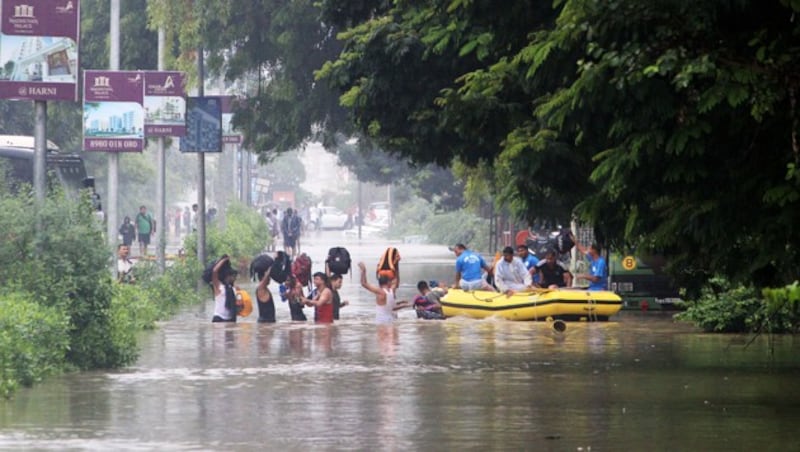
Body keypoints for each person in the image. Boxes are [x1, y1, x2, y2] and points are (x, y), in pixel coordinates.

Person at [211, 256, 238, 323]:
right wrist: (224, 260)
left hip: (230, 319)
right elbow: (214, 271)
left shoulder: (234, 288)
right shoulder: (219, 286)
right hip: (219, 318)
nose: (235, 278)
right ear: (228, 276)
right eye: (234, 276)